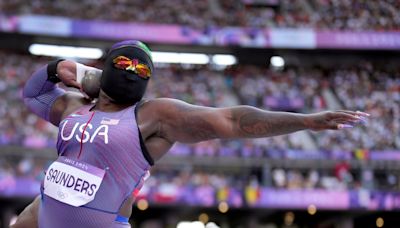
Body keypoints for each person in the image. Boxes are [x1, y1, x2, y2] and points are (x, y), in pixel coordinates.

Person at [12, 40, 368, 228]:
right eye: (125, 64)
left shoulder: (153, 115)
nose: (133, 71)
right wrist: (56, 68)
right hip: (45, 210)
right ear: (102, 70)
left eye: (142, 69)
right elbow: (34, 94)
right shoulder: (74, 107)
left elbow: (232, 120)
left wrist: (304, 120)